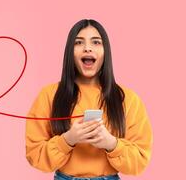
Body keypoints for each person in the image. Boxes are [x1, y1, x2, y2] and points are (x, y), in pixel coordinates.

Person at [25, 19, 152, 180]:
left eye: (96, 42)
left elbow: (140, 160)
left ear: (106, 51)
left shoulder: (128, 99)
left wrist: (111, 143)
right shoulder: (49, 95)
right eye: (78, 42)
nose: (87, 48)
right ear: (70, 51)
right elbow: (34, 155)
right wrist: (68, 139)